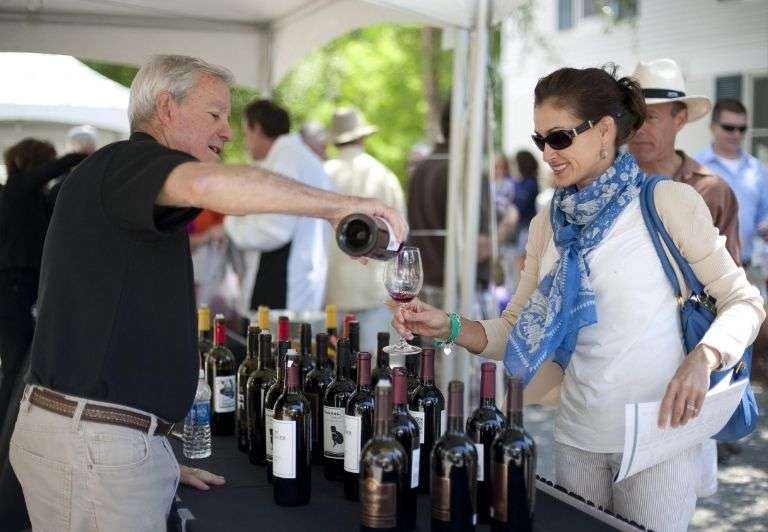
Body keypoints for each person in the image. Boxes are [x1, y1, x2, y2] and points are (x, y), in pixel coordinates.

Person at [9, 55, 406, 532]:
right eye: (214, 115)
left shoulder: (122, 182)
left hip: (106, 443)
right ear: (166, 108)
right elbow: (215, 185)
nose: (227, 132)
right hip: (93, 443)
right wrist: (340, 206)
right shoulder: (128, 162)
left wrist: (152, 454)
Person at [392, 65, 763, 531]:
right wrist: (446, 326)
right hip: (576, 440)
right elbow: (512, 332)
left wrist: (704, 357)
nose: (547, 153)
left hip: (659, 441)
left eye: (560, 137)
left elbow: (744, 301)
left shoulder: (667, 202)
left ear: (605, 131)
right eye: (540, 139)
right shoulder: (547, 223)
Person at [225, 99, 333, 315]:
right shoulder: (295, 156)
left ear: (256, 128)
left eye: (246, 134)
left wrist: (231, 224)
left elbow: (273, 229)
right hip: (293, 274)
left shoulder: (287, 160)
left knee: (275, 345)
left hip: (282, 281)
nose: (246, 143)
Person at [629, 58, 741, 263]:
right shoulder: (604, 183)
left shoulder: (711, 190)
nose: (639, 129)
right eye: (633, 118)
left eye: (650, 117)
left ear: (679, 120)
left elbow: (729, 274)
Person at [324, 107, 406, 352]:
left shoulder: (321, 176)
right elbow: (400, 236)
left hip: (330, 292)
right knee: (377, 372)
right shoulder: (383, 176)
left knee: (332, 373)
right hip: (374, 292)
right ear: (362, 137)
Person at [407, 102, 492, 310]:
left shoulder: (422, 168)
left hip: (425, 291)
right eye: (487, 122)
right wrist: (510, 220)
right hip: (459, 296)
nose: (489, 130)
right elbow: (479, 248)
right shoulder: (466, 171)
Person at [695, 99, 768, 268]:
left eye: (742, 129)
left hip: (747, 267)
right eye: (729, 128)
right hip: (706, 270)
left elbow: (764, 213)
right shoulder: (695, 166)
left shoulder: (757, 169)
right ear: (712, 127)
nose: (737, 134)